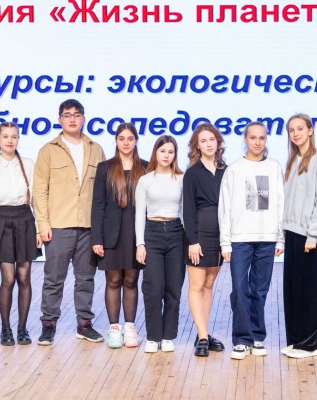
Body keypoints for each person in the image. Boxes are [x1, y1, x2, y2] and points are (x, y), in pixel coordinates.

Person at [33, 99, 106, 345]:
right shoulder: (48, 150)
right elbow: (39, 190)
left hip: (88, 226)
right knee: (54, 278)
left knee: (86, 279)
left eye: (76, 115)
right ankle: (48, 324)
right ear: (59, 120)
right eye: (67, 115)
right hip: (58, 225)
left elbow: (103, 191)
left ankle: (84, 324)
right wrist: (43, 224)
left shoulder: (96, 149)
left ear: (83, 119)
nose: (72, 119)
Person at [219, 121, 285, 360]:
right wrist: (225, 242)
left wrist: (280, 239)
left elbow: (281, 203)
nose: (257, 142)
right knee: (239, 289)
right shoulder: (234, 169)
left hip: (267, 239)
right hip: (240, 240)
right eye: (253, 137)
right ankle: (241, 339)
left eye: (262, 138)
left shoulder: (274, 167)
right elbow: (224, 207)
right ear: (245, 139)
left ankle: (257, 337)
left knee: (259, 290)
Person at [0, 122, 42, 346]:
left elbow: (38, 199)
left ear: (18, 139)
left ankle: (22, 328)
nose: (10, 140)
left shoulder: (29, 164)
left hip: (25, 220)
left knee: (24, 277)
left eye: (14, 136)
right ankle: (6, 328)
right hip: (2, 220)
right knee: (9, 278)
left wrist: (40, 227)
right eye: (5, 136)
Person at [281, 114, 317, 359]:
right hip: (292, 234)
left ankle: (311, 343)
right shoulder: (292, 161)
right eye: (291, 130)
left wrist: (313, 235)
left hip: (308, 237)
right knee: (293, 290)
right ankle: (296, 340)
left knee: (309, 291)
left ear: (311, 131)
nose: (296, 133)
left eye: (300, 129)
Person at [91, 123, 147, 349]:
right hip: (110, 235)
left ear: (136, 141)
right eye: (122, 138)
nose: (126, 142)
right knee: (113, 280)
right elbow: (98, 204)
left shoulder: (145, 167)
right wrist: (96, 238)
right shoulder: (105, 167)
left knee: (131, 280)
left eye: (130, 138)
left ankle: (130, 328)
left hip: (135, 234)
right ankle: (114, 329)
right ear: (116, 141)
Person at [135, 135, 185, 353]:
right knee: (153, 288)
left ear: (175, 155)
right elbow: (139, 214)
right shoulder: (145, 180)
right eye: (162, 151)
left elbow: (186, 211)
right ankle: (153, 336)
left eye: (171, 152)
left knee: (173, 288)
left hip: (176, 232)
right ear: (155, 152)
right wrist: (140, 243)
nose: (166, 155)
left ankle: (168, 336)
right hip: (152, 233)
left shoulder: (181, 179)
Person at [183, 122, 227, 357]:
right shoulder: (192, 173)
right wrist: (193, 240)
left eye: (212, 139)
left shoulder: (226, 170)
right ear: (197, 146)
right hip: (199, 236)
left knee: (209, 285)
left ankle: (204, 332)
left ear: (217, 142)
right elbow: (188, 210)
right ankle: (201, 336)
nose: (209, 144)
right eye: (203, 141)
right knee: (197, 285)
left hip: (221, 235)